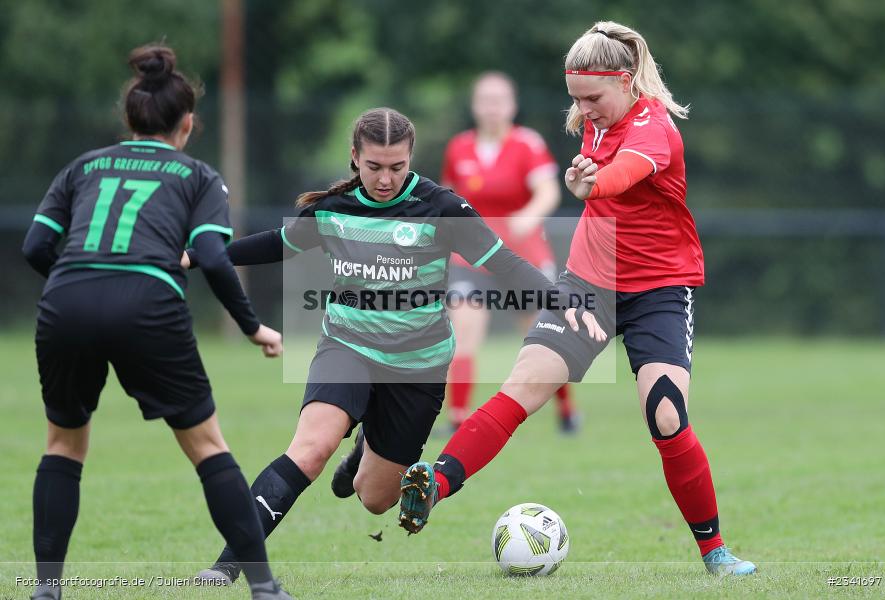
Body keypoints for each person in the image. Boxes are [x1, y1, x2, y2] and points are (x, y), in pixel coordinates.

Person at [398, 21, 757, 576]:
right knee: (522, 385)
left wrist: (592, 183)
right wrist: (584, 175)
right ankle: (433, 485)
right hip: (589, 281)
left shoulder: (654, 129)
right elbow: (597, 166)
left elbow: (624, 174)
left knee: (665, 414)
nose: (583, 109)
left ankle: (716, 552)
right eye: (575, 98)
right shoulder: (596, 118)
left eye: (593, 97)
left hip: (660, 288)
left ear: (627, 79)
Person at [190, 107, 603, 585]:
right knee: (311, 448)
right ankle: (225, 567)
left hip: (418, 368)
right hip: (348, 346)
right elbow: (276, 244)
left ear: (410, 159)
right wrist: (196, 256)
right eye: (373, 167)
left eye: (396, 167)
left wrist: (561, 299)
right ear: (354, 158)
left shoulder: (442, 208)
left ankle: (365, 440)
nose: (385, 179)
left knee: (375, 499)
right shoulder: (334, 211)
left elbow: (506, 264)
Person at [21, 44, 293, 600]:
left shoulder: (83, 166)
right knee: (207, 446)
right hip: (149, 302)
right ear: (187, 123)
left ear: (129, 118)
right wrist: (252, 327)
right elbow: (214, 258)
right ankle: (264, 589)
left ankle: (46, 591)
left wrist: (78, 284)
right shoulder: (197, 176)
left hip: (65, 301)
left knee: (63, 446)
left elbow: (36, 246)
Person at [441, 71, 579, 433]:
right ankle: (457, 419)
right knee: (464, 330)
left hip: (522, 257)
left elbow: (548, 191)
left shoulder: (527, 144)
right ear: (474, 105)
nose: (492, 108)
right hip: (472, 258)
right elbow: (448, 198)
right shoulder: (459, 148)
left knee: (543, 339)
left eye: (499, 100)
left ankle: (566, 411)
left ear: (513, 105)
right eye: (485, 100)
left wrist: (526, 218)